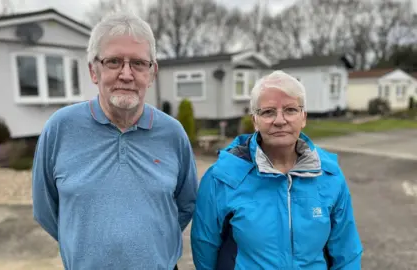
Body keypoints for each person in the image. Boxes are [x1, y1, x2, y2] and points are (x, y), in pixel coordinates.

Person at [32, 11, 198, 270]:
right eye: (114, 62)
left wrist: (149, 247)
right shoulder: (60, 128)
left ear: (152, 73)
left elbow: (185, 205)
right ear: (93, 71)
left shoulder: (173, 134)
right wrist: (87, 247)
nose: (127, 74)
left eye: (138, 63)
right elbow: (46, 210)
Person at [190, 70, 363, 269]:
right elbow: (204, 249)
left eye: (290, 110)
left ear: (303, 117)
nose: (280, 120)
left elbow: (346, 252)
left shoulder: (330, 175)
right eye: (268, 111)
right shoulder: (222, 177)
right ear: (255, 120)